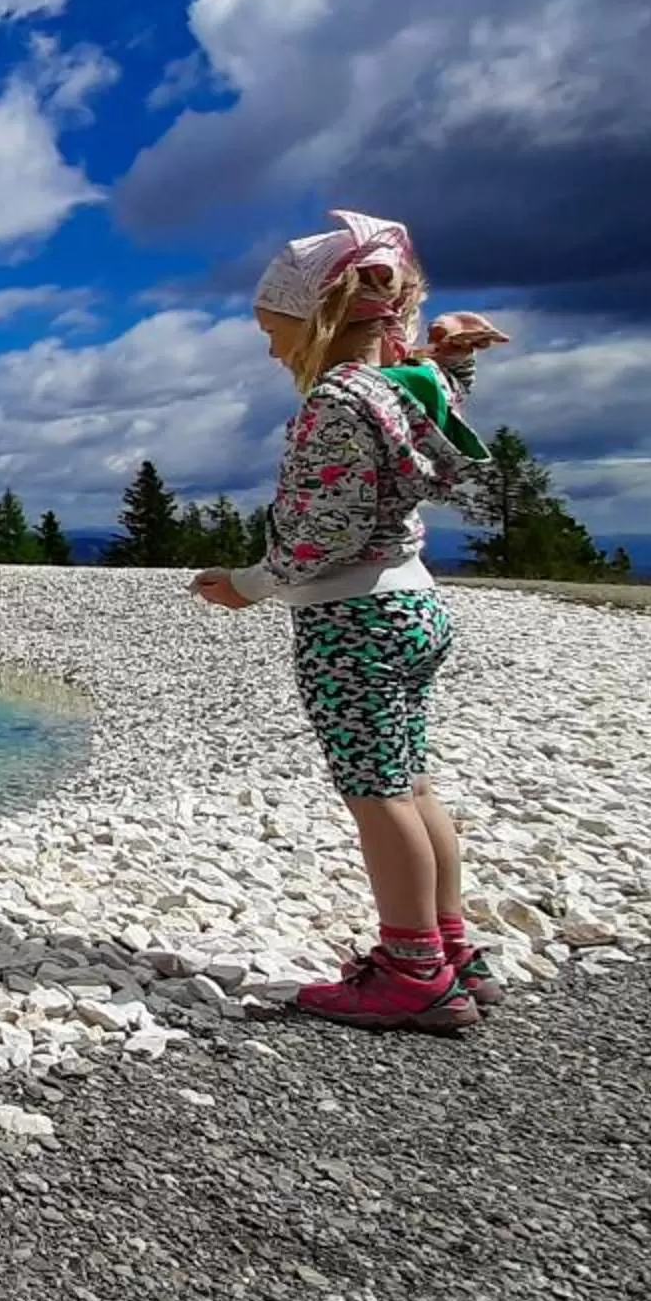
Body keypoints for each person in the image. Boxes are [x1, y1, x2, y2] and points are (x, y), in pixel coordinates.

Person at [190, 210, 504, 1034]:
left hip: (352, 619)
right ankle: (451, 947)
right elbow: (434, 416)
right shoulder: (401, 387)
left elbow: (324, 527)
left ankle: (411, 974)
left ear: (320, 317)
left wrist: (251, 584)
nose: (269, 349)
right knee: (410, 783)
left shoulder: (336, 401)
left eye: (273, 329)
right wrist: (454, 360)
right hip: (413, 603)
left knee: (376, 795)